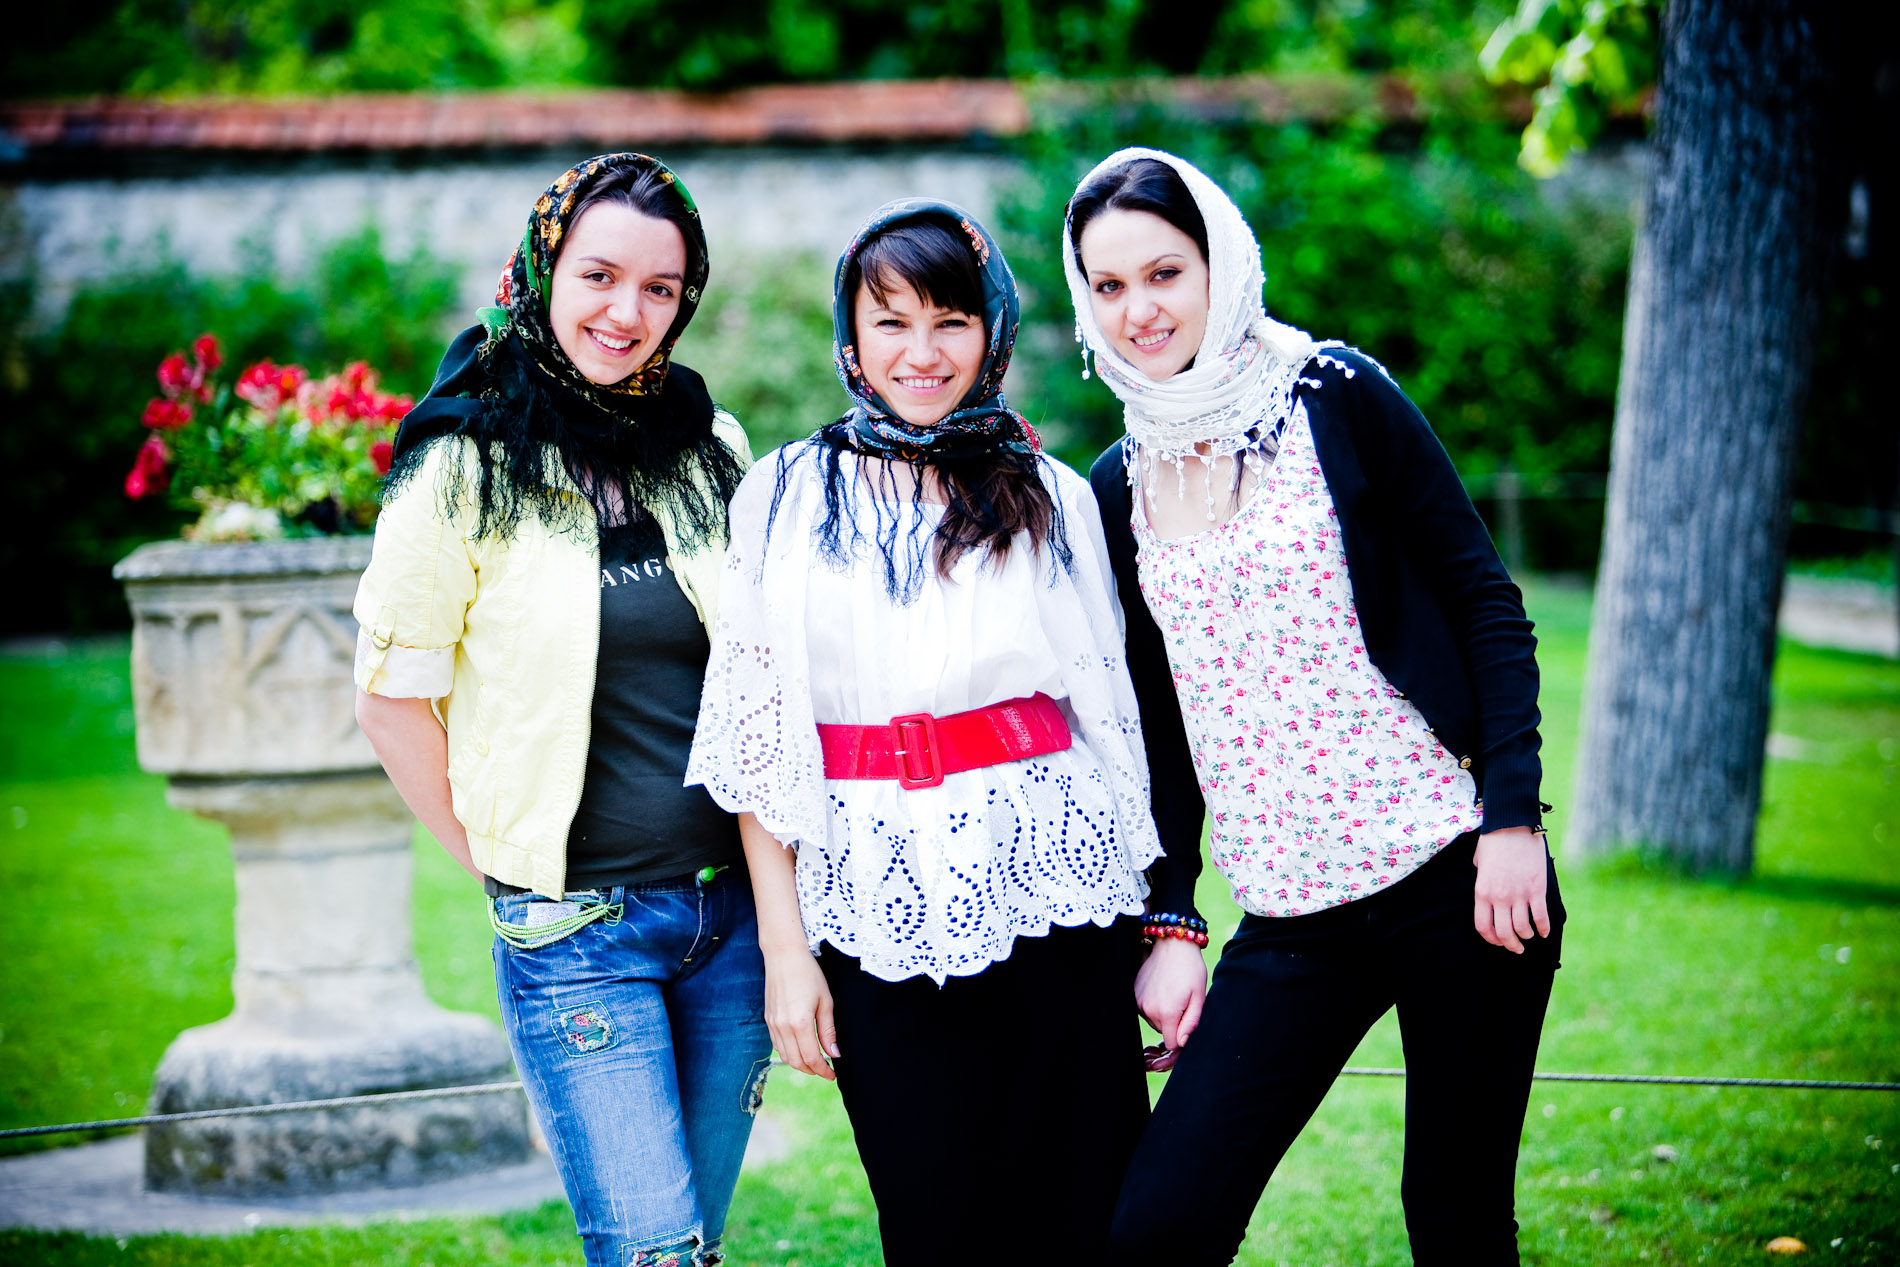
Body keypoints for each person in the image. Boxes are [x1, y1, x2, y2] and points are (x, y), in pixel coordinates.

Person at [1065, 148, 1564, 1266]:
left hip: (1453, 874)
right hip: (1293, 916)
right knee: (1159, 1227)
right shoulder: (1117, 484)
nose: (1141, 309)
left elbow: (1486, 603)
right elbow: (1157, 731)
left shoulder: (1334, 395)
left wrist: (1512, 821)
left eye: (1165, 272)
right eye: (1110, 285)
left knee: (1456, 1219)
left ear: (1219, 264)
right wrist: (1171, 921)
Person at [685, 199, 1160, 1264]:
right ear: (851, 340)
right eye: (891, 321)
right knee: (932, 1220)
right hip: (871, 894)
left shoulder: (1052, 492)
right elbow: (760, 748)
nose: (923, 352)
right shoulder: (784, 493)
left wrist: (1157, 930)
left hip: (1056, 883)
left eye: (951, 320)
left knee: (1087, 1215)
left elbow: (1113, 719)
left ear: (992, 330)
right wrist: (786, 956)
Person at [352, 152, 767, 1267]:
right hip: (576, 933)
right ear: (544, 271)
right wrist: (510, 873)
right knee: (651, 1254)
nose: (626, 313)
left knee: (696, 1243)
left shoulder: (709, 451)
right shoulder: (462, 467)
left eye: (660, 288)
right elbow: (391, 702)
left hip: (733, 920)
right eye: (599, 276)